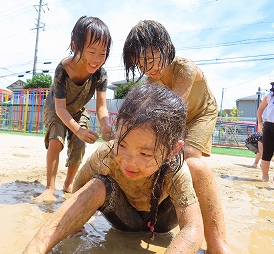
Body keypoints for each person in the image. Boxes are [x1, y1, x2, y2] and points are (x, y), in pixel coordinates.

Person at [24, 84, 204, 254]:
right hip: (124, 221)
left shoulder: (175, 168)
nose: (128, 162)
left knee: (200, 169)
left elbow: (192, 228)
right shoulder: (107, 155)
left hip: (162, 222)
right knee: (97, 184)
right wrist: (75, 224)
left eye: (145, 154)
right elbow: (81, 183)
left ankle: (218, 243)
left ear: (173, 150)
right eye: (122, 144)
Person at [122, 20, 232, 253]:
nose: (147, 68)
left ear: (165, 48)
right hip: (177, 116)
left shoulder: (184, 68)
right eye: (140, 64)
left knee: (189, 158)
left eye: (150, 60)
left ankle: (214, 239)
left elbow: (175, 111)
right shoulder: (153, 80)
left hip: (201, 113)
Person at [34, 16, 113, 202]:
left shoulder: (100, 74)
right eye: (92, 51)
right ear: (76, 46)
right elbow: (60, 107)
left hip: (78, 110)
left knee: (79, 143)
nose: (96, 59)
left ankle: (69, 183)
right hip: (56, 108)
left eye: (102, 54)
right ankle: (50, 188)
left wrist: (105, 126)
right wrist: (78, 130)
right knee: (56, 140)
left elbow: (101, 106)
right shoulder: (63, 69)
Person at [257, 81, 274, 182]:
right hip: (269, 127)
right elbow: (260, 110)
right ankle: (265, 176)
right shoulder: (269, 96)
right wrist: (260, 122)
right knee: (267, 153)